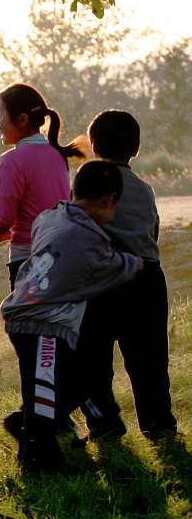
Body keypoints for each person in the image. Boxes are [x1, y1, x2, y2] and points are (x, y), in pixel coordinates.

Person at [0, 160, 141, 472]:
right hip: (42, 323)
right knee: (45, 394)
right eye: (113, 209)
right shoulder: (84, 238)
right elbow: (108, 267)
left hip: (29, 315)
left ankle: (26, 426)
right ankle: (39, 461)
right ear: (108, 201)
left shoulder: (50, 217)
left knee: (76, 382)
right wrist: (135, 262)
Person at [75, 110, 177, 440]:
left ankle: (105, 424)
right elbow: (153, 232)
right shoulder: (145, 189)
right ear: (136, 149)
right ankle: (158, 422)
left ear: (92, 145)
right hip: (146, 280)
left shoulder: (85, 184)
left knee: (92, 361)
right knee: (149, 361)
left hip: (102, 283)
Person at [0, 83, 79, 289]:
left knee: (25, 318)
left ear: (22, 120)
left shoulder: (10, 160)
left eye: (0, 114)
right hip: (63, 254)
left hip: (29, 260)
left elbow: (3, 220)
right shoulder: (56, 154)